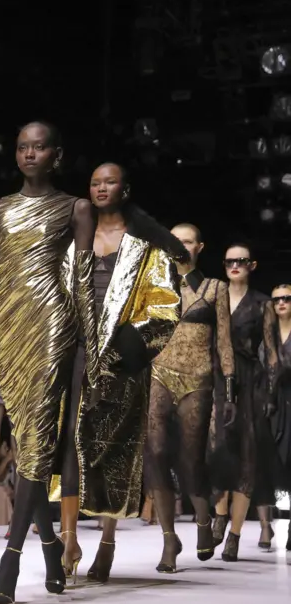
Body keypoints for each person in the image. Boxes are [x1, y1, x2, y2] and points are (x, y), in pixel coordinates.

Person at [0, 121, 98, 603]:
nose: (29, 154)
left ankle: (11, 560)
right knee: (27, 446)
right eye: (22, 147)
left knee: (37, 442)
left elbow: (83, 283)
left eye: (39, 147)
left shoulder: (76, 208)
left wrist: (92, 348)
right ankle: (50, 547)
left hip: (52, 326)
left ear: (56, 154)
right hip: (6, 328)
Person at [56, 162, 185, 584]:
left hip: (122, 359)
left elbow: (164, 309)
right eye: (95, 182)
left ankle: (107, 540)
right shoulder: (75, 237)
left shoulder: (147, 246)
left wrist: (122, 351)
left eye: (109, 182)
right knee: (70, 441)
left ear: (124, 189)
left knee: (111, 448)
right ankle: (69, 540)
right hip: (75, 351)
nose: (101, 188)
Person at [145, 223, 235, 574]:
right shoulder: (155, 286)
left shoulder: (215, 288)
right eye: (174, 241)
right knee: (155, 453)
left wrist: (230, 393)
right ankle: (169, 539)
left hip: (198, 380)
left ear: (200, 247)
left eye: (187, 241)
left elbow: (224, 343)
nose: (180, 246)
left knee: (190, 459)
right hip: (159, 375)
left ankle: (202, 518)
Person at [210, 243, 274, 561]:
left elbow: (271, 352)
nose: (234, 265)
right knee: (216, 451)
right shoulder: (213, 298)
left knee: (247, 457)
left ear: (252, 265)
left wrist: (271, 394)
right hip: (216, 381)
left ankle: (234, 535)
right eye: (229, 261)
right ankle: (220, 515)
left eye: (241, 261)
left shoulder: (263, 304)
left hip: (249, 384)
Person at [264, 285, 291, 555]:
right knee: (274, 464)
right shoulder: (267, 334)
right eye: (276, 300)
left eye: (287, 298)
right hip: (271, 405)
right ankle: (266, 525)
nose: (281, 303)